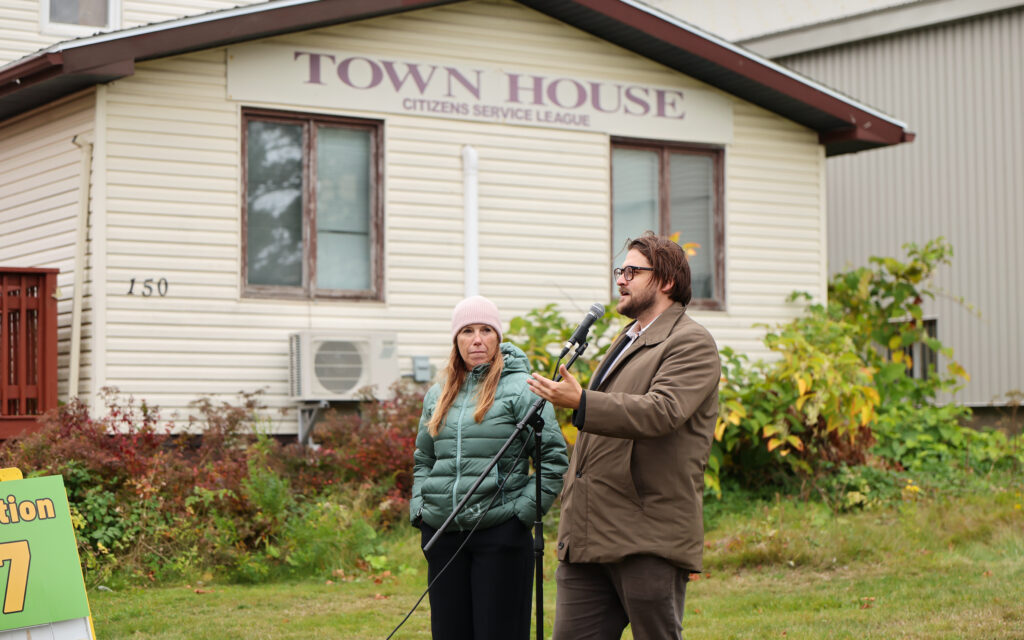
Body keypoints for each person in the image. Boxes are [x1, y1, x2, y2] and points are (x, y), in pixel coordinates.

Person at [527, 232, 721, 640]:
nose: (621, 279)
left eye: (633, 271)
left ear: (666, 281)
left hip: (646, 535)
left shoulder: (690, 342)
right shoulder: (627, 338)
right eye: (620, 270)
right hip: (588, 536)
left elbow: (662, 411)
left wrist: (582, 402)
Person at [411, 295, 569, 640]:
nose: (477, 339)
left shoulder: (522, 390)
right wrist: (420, 508)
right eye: (467, 331)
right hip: (443, 534)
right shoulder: (437, 394)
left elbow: (553, 458)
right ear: (457, 339)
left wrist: (518, 516)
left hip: (499, 534)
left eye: (486, 330)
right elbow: (424, 459)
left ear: (498, 337)